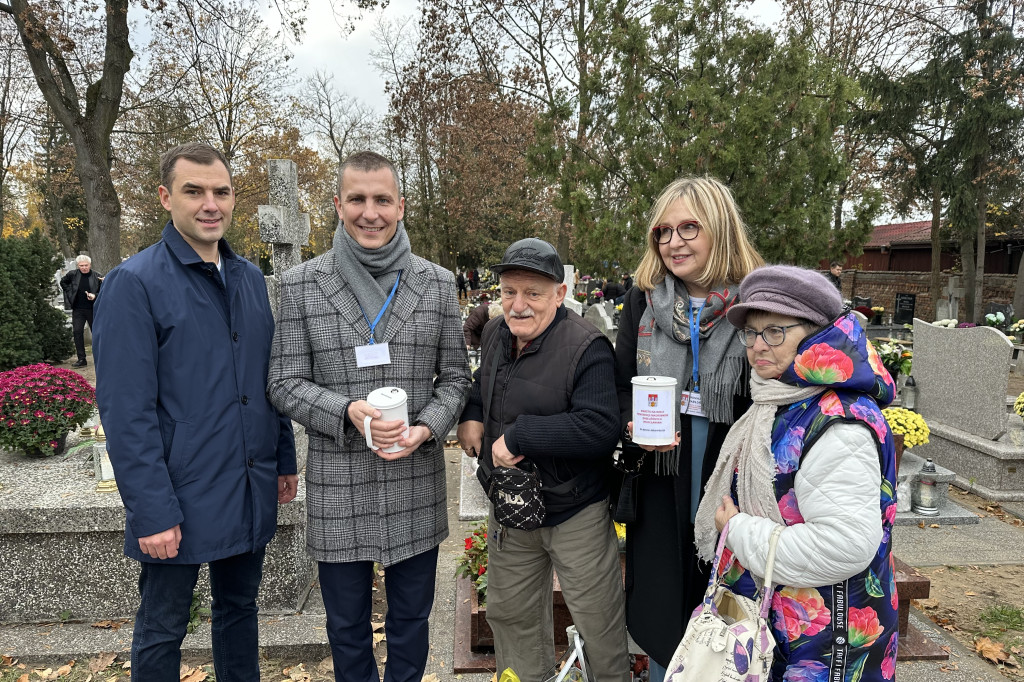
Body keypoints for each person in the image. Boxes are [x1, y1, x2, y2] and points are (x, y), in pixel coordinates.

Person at [92, 142, 297, 681]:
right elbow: (126, 411)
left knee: (240, 610)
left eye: (221, 192)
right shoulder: (134, 284)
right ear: (166, 197)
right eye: (194, 191)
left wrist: (283, 458)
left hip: (246, 479)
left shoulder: (249, 278)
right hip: (178, 492)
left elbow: (264, 378)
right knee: (164, 625)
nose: (211, 204)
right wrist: (152, 510)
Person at [267, 150, 471, 682]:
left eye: (382, 199)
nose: (370, 212)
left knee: (411, 622)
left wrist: (427, 427)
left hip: (414, 478)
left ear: (401, 206)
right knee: (345, 627)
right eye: (357, 199)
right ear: (338, 205)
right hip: (339, 483)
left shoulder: (435, 283)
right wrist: (345, 411)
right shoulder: (301, 284)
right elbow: (283, 382)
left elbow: (455, 378)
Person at [690, 264, 898, 680]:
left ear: (817, 334)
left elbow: (844, 545)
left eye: (774, 331)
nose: (757, 346)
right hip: (783, 627)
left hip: (827, 647)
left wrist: (738, 530)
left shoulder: (839, 423)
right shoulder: (783, 399)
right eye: (751, 332)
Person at [457, 238, 629, 682]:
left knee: (599, 625)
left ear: (559, 293)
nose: (518, 305)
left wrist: (521, 435)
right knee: (511, 616)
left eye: (533, 293)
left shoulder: (587, 345)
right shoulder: (495, 334)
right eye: (509, 292)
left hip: (574, 512)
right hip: (513, 510)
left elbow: (600, 427)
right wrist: (472, 413)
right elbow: (484, 384)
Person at [613, 176, 764, 679]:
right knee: (664, 596)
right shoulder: (643, 302)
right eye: (664, 231)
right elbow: (620, 383)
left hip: (730, 468)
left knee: (726, 593)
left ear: (720, 229)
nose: (673, 242)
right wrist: (632, 426)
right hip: (662, 469)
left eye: (688, 228)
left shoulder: (756, 301)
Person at [60, 255, 103, 367]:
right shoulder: (72, 274)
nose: (84, 268)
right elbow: (63, 282)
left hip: (93, 309)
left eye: (86, 265)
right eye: (81, 266)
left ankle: (101, 358)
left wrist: (95, 296)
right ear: (78, 266)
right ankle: (81, 359)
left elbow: (103, 291)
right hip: (78, 309)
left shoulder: (97, 276)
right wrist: (70, 293)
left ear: (90, 265)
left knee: (97, 333)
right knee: (77, 332)